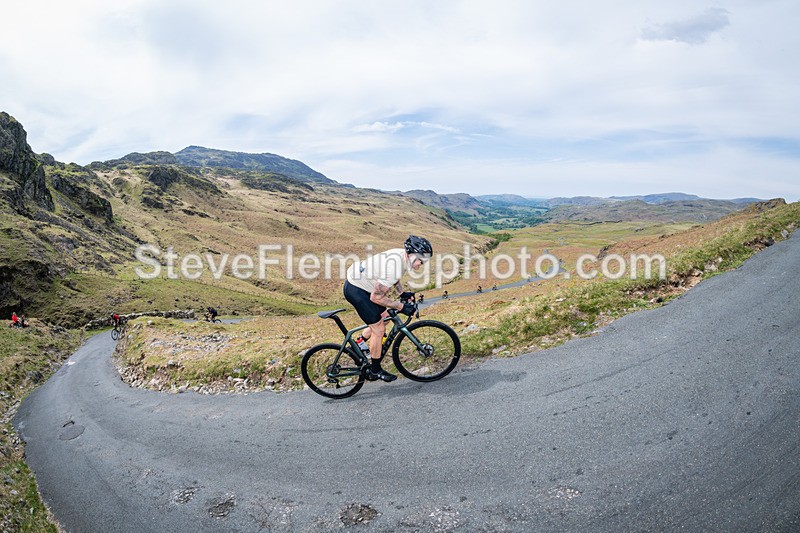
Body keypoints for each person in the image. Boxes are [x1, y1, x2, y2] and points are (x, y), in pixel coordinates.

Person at [344, 235, 431, 382]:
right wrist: (401, 306)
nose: (421, 265)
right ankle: (375, 370)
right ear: (411, 255)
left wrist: (402, 293)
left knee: (384, 318)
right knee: (378, 329)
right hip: (357, 290)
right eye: (420, 261)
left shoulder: (401, 256)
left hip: (363, 284)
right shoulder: (395, 267)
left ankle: (358, 344)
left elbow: (394, 279)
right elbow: (376, 298)